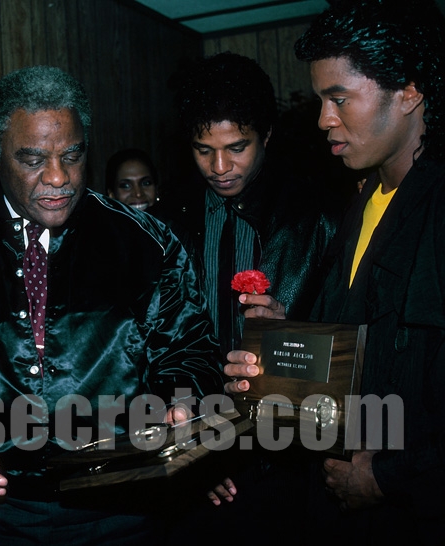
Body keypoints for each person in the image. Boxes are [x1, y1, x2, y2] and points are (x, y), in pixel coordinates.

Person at [0, 65, 224, 545]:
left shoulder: (146, 244)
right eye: (33, 159)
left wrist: (183, 401)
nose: (58, 177)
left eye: (72, 156)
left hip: (125, 505)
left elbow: (190, 349)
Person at [227, 0, 445, 542]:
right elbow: (363, 351)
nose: (324, 118)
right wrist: (284, 344)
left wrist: (388, 478)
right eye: (322, 100)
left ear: (409, 92)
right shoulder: (363, 201)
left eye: (339, 98)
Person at [171, 52, 338, 357]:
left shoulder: (315, 221)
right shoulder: (167, 224)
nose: (219, 167)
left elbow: (342, 346)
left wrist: (289, 334)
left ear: (266, 135)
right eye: (203, 150)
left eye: (236, 148)